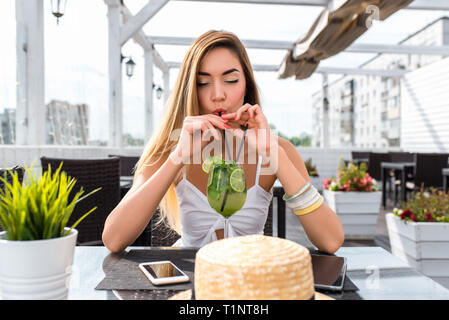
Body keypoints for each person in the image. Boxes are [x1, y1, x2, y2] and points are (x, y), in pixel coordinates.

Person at [102, 30, 344, 253]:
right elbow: (113, 239)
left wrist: (274, 153)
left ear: (246, 84)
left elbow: (331, 241)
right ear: (190, 90)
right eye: (203, 82)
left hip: (251, 285)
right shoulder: (172, 148)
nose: (218, 94)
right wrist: (177, 157)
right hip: (190, 283)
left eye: (230, 80)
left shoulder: (277, 149)